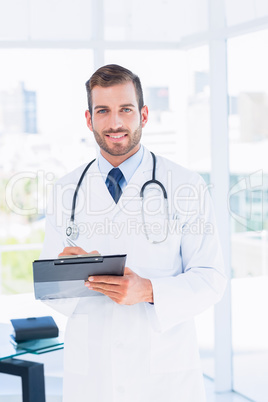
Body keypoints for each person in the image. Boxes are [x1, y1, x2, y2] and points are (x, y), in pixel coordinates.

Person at [40, 64, 227, 402]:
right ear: (89, 119)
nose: (115, 123)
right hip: (92, 373)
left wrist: (149, 290)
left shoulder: (186, 185)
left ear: (143, 114)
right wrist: (71, 275)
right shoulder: (64, 190)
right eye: (103, 111)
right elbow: (52, 290)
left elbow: (212, 278)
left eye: (125, 109)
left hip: (163, 372)